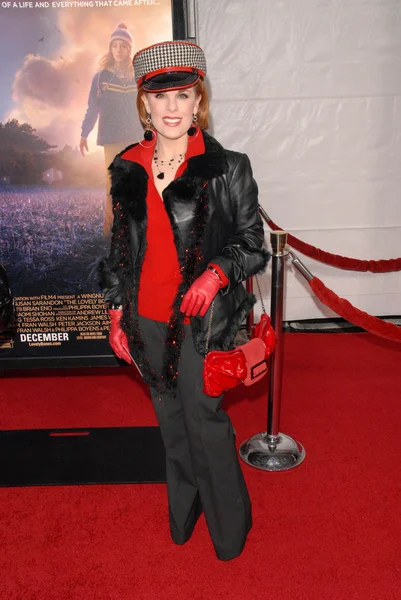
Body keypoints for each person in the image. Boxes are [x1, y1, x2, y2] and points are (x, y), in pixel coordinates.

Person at [101, 40, 270, 561]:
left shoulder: (228, 167)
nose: (172, 107)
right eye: (161, 96)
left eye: (183, 95)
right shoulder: (127, 166)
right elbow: (119, 251)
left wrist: (215, 274)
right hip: (145, 323)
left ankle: (230, 529)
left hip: (203, 324)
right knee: (171, 425)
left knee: (206, 425)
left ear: (199, 101)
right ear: (144, 105)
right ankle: (186, 508)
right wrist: (115, 313)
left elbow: (252, 245)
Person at [80, 23, 143, 236]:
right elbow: (92, 108)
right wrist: (84, 133)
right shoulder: (101, 78)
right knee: (112, 185)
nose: (118, 49)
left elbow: (148, 105)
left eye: (123, 46)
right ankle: (112, 231)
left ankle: (134, 229)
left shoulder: (138, 76)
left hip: (136, 138)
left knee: (135, 184)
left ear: (129, 49)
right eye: (114, 45)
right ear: (110, 48)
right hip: (111, 138)